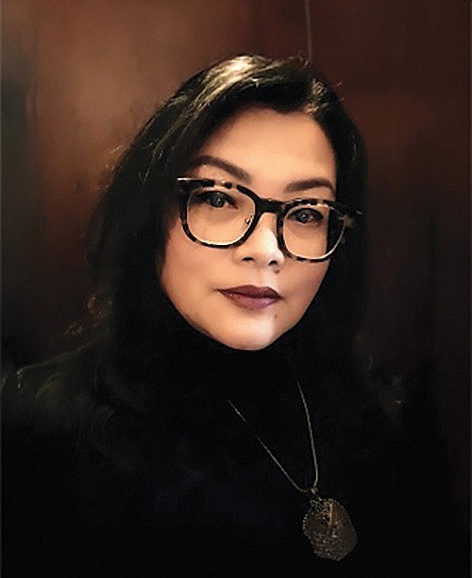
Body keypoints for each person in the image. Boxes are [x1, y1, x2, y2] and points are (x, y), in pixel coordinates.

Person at [2, 54, 467, 578]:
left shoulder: (387, 415)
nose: (266, 250)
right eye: (219, 199)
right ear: (151, 214)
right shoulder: (37, 430)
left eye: (306, 212)